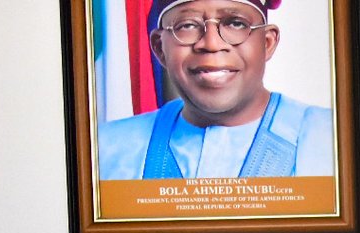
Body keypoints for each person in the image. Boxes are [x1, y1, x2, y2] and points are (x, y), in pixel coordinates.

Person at [97, 1, 334, 180]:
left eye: (235, 23)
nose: (211, 44)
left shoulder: (334, 140)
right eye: (187, 25)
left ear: (267, 43)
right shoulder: (104, 150)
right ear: (160, 48)